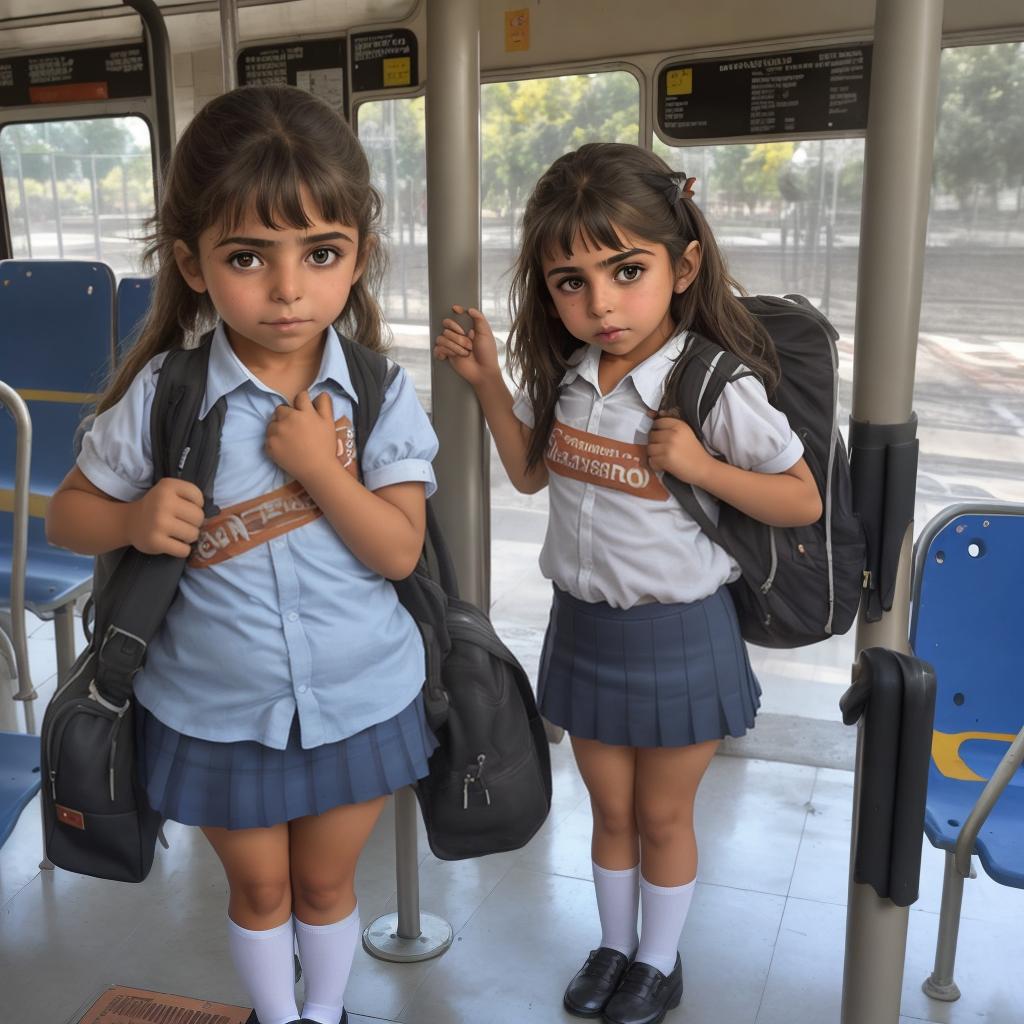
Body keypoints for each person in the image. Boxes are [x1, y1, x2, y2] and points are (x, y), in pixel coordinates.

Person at [46, 85, 438, 1024]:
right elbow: (68, 517)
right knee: (261, 893)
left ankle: (326, 1012)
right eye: (249, 257)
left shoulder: (379, 393)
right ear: (192, 264)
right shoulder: (164, 396)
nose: (289, 288)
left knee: (327, 888)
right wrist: (134, 522)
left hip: (358, 697)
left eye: (322, 254)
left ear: (359, 258)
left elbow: (398, 550)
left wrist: (320, 469)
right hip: (214, 706)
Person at [434, 143, 821, 1024]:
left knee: (662, 818)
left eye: (627, 270)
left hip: (680, 635)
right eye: (571, 281)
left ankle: (658, 958)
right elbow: (533, 474)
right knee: (608, 813)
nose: (601, 302)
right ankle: (613, 946)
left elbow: (801, 499)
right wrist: (489, 381)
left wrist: (703, 467)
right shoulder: (573, 379)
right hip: (585, 628)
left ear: (683, 267)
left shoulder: (710, 384)